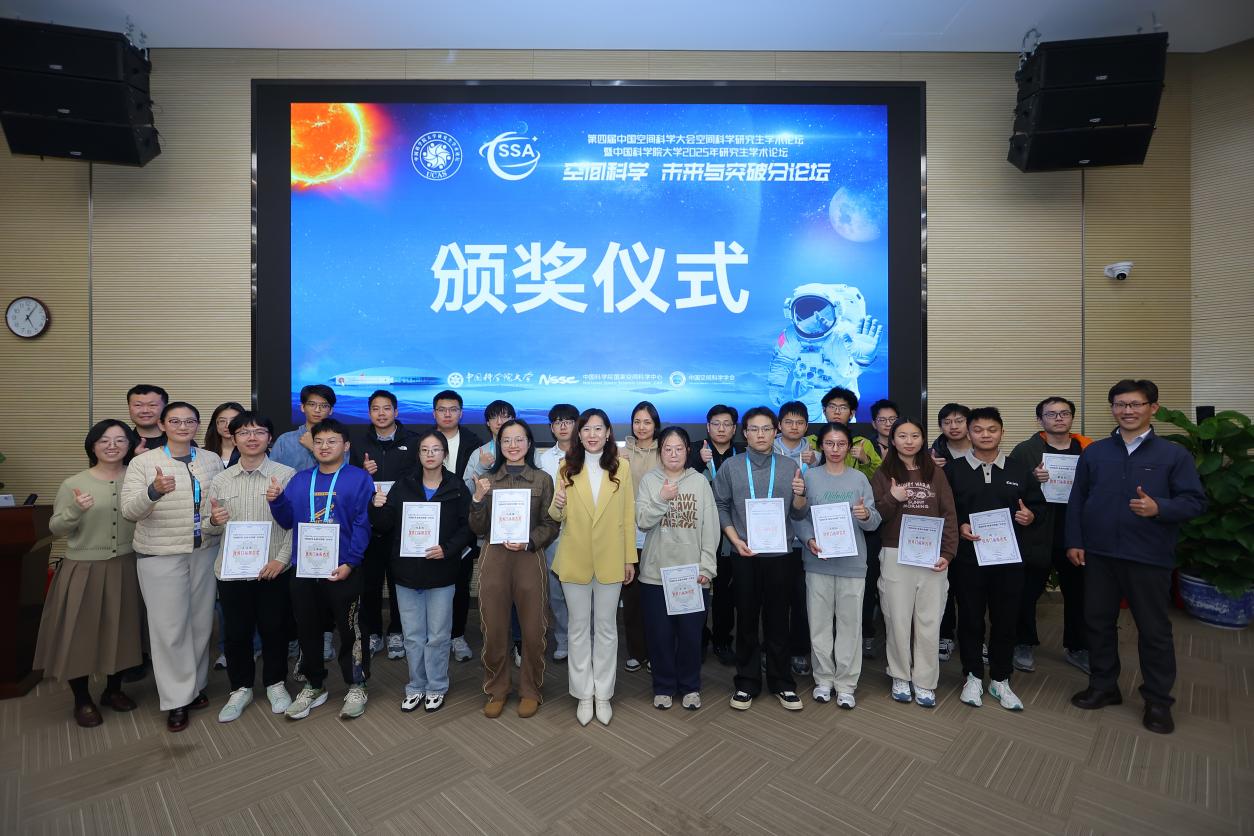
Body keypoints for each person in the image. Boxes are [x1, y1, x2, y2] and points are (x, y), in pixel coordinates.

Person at [1067, 379, 1206, 735]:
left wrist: (1160, 507)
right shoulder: (1095, 452)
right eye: (1120, 404)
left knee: (1153, 630)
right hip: (1099, 554)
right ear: (1112, 408)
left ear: (1152, 408)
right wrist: (1075, 541)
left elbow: (1195, 502)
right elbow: (1077, 500)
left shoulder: (1173, 455)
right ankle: (1103, 686)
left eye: (1135, 404)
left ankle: (1158, 701)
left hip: (1148, 555)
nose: (1127, 411)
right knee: (1097, 622)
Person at [120, 402, 226, 732]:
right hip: (160, 555)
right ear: (163, 425)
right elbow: (129, 511)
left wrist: (215, 520)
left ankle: (194, 686)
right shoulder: (143, 462)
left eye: (189, 421)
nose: (183, 426)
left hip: (204, 551)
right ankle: (176, 699)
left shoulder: (210, 460)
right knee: (169, 628)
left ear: (197, 425)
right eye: (175, 421)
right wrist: (153, 491)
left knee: (200, 624)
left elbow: (217, 504)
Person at [34, 420, 143, 727]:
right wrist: (75, 510)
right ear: (92, 446)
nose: (112, 446)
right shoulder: (74, 483)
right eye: (104, 440)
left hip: (127, 565)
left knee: (122, 631)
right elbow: (56, 528)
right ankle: (82, 699)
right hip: (83, 568)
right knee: (78, 635)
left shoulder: (137, 478)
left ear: (130, 445)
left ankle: (113, 690)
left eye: (120, 440)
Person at [268, 418, 374, 721]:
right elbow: (287, 521)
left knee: (351, 630)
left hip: (343, 567)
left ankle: (357, 684)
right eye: (318, 442)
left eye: (332, 441)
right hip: (305, 569)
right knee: (308, 629)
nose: (324, 447)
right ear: (311, 446)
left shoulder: (358, 478)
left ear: (346, 446)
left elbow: (363, 523)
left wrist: (351, 563)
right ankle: (314, 684)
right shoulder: (301, 480)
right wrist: (277, 502)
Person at [946, 407, 1045, 712]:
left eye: (992, 429)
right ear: (969, 433)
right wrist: (960, 526)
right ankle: (973, 675)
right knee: (971, 619)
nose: (985, 435)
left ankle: (1001, 678)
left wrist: (1030, 516)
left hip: (1009, 560)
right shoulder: (953, 471)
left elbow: (1038, 506)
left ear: (1002, 432)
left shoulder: (1018, 470)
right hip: (968, 559)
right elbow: (945, 511)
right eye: (978, 430)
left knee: (1005, 620)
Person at [370, 430, 473, 713]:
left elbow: (467, 528)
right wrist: (376, 507)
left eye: (436, 449)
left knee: (438, 635)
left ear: (445, 454)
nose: (430, 454)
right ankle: (416, 685)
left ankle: (436, 686)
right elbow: (384, 525)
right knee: (413, 636)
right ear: (418, 454)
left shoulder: (457, 487)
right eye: (425, 449)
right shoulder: (403, 486)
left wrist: (447, 549)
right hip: (406, 574)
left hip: (441, 572)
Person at [203, 411, 296, 722]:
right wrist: (214, 521)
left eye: (259, 432)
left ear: (270, 438)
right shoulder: (221, 479)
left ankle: (275, 683)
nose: (252, 437)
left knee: (274, 629)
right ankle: (240, 687)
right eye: (244, 432)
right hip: (232, 571)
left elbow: (296, 524)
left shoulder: (286, 475)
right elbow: (208, 525)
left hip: (272, 568)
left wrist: (281, 559)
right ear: (233, 438)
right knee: (236, 633)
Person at [714, 406, 804, 712]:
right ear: (745, 433)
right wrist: (734, 539)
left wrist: (801, 495)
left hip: (780, 554)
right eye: (754, 429)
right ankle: (747, 682)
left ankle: (782, 682)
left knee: (778, 620)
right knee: (747, 619)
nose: (761, 434)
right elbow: (720, 504)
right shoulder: (731, 466)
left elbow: (799, 513)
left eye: (766, 428)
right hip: (745, 553)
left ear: (775, 431)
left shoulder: (790, 466)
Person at [550, 408, 637, 726]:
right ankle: (583, 694)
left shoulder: (621, 467)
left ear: (608, 432)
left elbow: (627, 515)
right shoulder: (566, 467)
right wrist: (557, 504)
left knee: (606, 629)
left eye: (598, 429)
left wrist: (629, 558)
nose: (592, 434)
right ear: (579, 433)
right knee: (577, 629)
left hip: (611, 558)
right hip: (575, 558)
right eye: (586, 429)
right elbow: (557, 516)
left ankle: (603, 693)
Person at [470, 419, 560, 719]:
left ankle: (531, 690)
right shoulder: (487, 480)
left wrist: (529, 541)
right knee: (494, 628)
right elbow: (477, 527)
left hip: (528, 557)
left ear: (529, 443)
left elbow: (551, 524)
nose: (513, 445)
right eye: (506, 440)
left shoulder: (542, 479)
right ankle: (497, 689)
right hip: (494, 558)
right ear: (499, 444)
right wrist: (477, 498)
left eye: (519, 439)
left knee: (534, 629)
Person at [789, 422, 881, 708]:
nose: (836, 449)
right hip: (818, 561)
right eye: (829, 443)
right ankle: (823, 679)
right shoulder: (809, 477)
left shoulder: (859, 479)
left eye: (841, 444)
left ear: (849, 447)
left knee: (850, 625)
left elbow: (874, 521)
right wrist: (808, 539)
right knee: (818, 624)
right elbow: (798, 517)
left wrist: (866, 515)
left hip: (852, 564)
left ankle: (846, 683)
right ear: (821, 447)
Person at [870, 417, 957, 708]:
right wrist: (892, 498)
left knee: (929, 621)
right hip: (896, 554)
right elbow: (875, 517)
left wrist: (948, 553)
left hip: (931, 556)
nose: (909, 441)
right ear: (892, 440)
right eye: (902, 436)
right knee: (896, 619)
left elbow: (949, 514)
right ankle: (899, 675)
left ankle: (925, 681)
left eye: (915, 435)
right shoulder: (883, 473)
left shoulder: (935, 472)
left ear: (922, 439)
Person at [636, 426, 719, 710]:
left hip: (692, 575)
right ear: (660, 452)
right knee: (659, 636)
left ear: (688, 451)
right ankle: (663, 687)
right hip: (655, 575)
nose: (673, 454)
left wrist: (707, 567)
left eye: (679, 449)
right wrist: (662, 498)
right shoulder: (649, 481)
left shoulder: (700, 482)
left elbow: (711, 528)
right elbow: (642, 521)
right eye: (667, 449)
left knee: (690, 635)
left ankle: (690, 686)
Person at [1008, 397, 1093, 674]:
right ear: (1040, 420)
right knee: (1026, 591)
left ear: (1072, 418)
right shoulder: (1026, 451)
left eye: (1064, 413)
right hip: (1036, 532)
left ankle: (1078, 646)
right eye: (1051, 414)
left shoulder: (1089, 449)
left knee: (1078, 593)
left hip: (1075, 532)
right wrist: (1032, 479)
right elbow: (1011, 488)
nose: (1058, 418)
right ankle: (1023, 642)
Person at [351, 389, 420, 661]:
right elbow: (350, 482)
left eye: (386, 408)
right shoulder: (358, 442)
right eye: (375, 409)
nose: (381, 413)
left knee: (398, 582)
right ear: (369, 413)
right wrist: (362, 473)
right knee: (369, 583)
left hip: (401, 524)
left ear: (396, 411)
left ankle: (397, 632)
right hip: (369, 524)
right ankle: (372, 633)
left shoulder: (413, 441)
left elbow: (419, 479)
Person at [457, 399, 515, 662]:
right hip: (489, 537)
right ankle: (494, 646)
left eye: (506, 416)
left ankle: (518, 644)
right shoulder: (478, 453)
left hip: (520, 538)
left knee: (520, 595)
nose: (500, 422)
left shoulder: (525, 449)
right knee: (493, 595)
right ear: (488, 423)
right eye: (495, 417)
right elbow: (466, 492)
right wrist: (481, 467)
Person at [689, 404, 744, 666]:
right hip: (698, 532)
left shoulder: (742, 453)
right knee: (697, 587)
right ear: (708, 426)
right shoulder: (692, 451)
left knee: (725, 591)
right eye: (716, 423)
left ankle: (722, 640)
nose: (721, 429)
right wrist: (698, 461)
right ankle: (699, 639)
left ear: (734, 429)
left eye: (727, 424)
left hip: (730, 532)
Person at [773, 400, 818, 676]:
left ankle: (800, 651)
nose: (794, 427)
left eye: (799, 422)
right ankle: (772, 650)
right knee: (774, 600)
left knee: (802, 599)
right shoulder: (767, 450)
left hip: (806, 539)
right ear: (779, 425)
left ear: (806, 426)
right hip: (774, 538)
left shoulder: (816, 456)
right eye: (788, 422)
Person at [620, 400, 661, 673]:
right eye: (637, 421)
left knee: (656, 596)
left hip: (659, 531)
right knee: (632, 596)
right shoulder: (621, 453)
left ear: (655, 424)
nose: (642, 427)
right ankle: (636, 651)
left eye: (647, 422)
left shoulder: (665, 451)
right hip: (630, 533)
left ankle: (658, 650)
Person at [536, 403, 579, 661]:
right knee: (556, 591)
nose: (563, 426)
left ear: (577, 425)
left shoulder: (588, 455)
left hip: (582, 534)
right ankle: (563, 638)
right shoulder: (542, 460)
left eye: (568, 421)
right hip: (553, 534)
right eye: (557, 422)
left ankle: (585, 638)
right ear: (551, 428)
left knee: (583, 589)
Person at [929, 401, 971, 662]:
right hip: (942, 528)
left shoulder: (982, 450)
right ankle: (945, 635)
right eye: (947, 422)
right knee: (943, 584)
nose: (953, 426)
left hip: (974, 528)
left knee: (970, 588)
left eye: (959, 421)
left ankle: (973, 638)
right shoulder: (932, 454)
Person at [271, 384, 337, 472]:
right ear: (302, 407)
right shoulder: (285, 440)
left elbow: (342, 473)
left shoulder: (338, 441)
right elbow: (271, 472)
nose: (317, 410)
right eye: (312, 404)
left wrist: (313, 447)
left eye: (324, 406)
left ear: (331, 410)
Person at [127, 384, 170, 453]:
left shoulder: (180, 441)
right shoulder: (122, 443)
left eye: (152, 405)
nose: (145, 411)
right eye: (138, 405)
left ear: (166, 408)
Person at [204, 401, 245, 468]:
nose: (227, 425)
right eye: (222, 421)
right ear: (215, 425)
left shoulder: (252, 451)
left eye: (233, 420)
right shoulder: (203, 453)